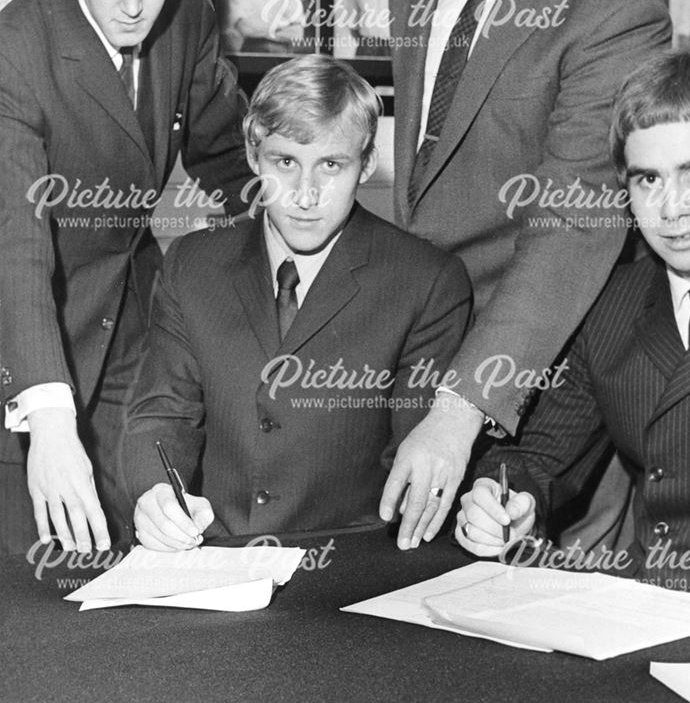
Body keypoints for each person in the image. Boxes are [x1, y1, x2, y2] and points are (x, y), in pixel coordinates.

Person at [379, 0, 671, 548]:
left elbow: (571, 223)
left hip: (537, 362)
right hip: (417, 331)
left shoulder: (616, 7)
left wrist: (459, 407)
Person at [457, 50, 690, 635]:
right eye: (648, 179)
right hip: (642, 616)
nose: (672, 206)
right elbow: (535, 458)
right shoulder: (612, 303)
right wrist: (505, 500)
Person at [0, 0, 252, 555]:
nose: (136, 7)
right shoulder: (15, 51)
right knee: (39, 583)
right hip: (29, 345)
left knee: (156, 549)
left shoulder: (191, 7)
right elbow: (15, 249)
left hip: (133, 328)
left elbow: (224, 154)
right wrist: (49, 420)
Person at [122, 56, 472, 548]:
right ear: (252, 155)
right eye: (285, 162)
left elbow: (417, 462)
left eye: (331, 165)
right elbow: (163, 414)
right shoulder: (191, 263)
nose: (305, 195)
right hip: (216, 561)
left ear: (367, 163)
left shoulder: (427, 281)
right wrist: (155, 495)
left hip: (349, 579)